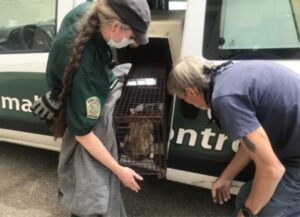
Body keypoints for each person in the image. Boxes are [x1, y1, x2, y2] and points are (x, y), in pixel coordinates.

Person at [30, 0, 151, 216]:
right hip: (82, 98)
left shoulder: (94, 8)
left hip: (84, 81)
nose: (134, 43)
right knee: (91, 180)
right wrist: (119, 170)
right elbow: (83, 134)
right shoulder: (88, 71)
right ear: (115, 27)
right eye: (132, 37)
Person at [167, 55, 300, 217]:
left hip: (295, 160)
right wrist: (226, 177)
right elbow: (250, 143)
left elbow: (272, 170)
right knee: (245, 195)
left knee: (264, 212)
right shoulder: (228, 74)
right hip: (290, 150)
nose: (188, 103)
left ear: (190, 91)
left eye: (183, 98)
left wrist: (247, 213)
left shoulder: (224, 98)